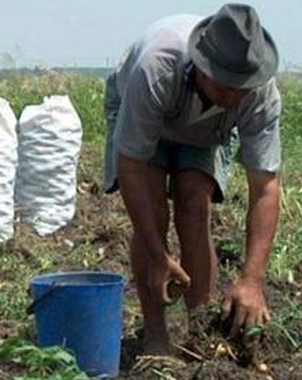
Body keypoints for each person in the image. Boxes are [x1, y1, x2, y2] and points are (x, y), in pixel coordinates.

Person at [104, 4, 282, 355]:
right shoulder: (157, 68)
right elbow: (133, 167)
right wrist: (158, 254)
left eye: (241, 88)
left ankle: (199, 333)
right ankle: (155, 334)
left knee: (194, 206)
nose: (233, 96)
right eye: (224, 85)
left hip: (205, 133)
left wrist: (252, 278)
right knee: (153, 210)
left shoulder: (258, 94)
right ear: (201, 67)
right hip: (146, 118)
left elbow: (265, 186)